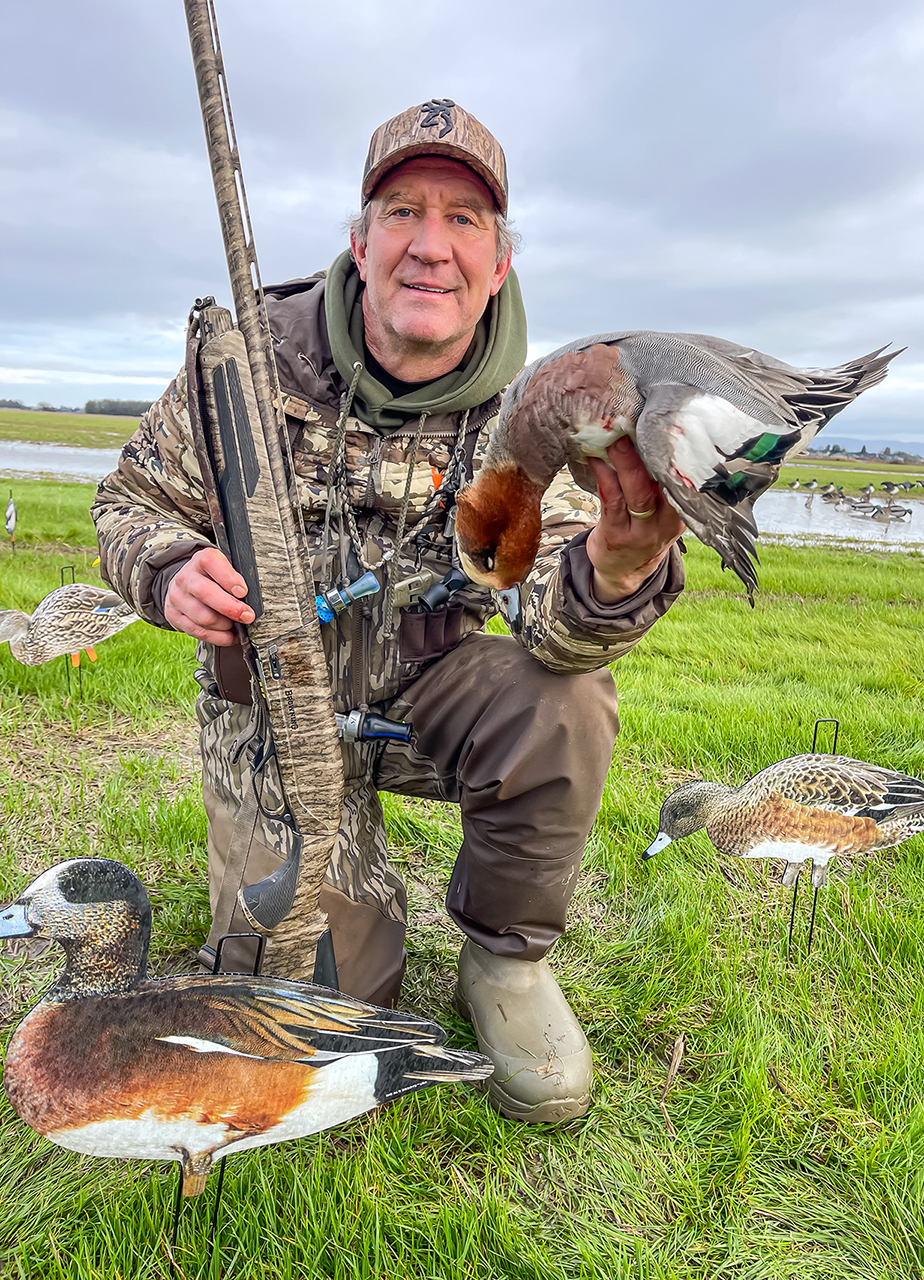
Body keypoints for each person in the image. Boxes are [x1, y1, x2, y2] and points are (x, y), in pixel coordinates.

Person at [92, 100, 684, 1123]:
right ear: (360, 243)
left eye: (465, 220)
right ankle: (324, 908)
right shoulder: (242, 358)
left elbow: (552, 627)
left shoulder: (541, 415)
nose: (430, 244)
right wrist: (169, 566)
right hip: (272, 714)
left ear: (498, 264)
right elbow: (127, 503)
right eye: (402, 210)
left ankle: (504, 964)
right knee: (322, 1030)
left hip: (426, 690)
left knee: (567, 703)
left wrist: (619, 567)